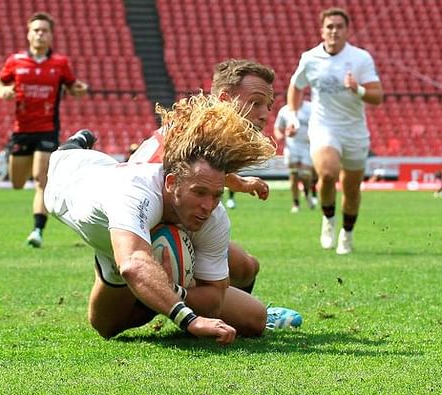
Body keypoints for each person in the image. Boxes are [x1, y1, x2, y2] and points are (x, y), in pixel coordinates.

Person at [45, 94, 301, 344]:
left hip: (135, 220)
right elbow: (133, 264)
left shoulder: (214, 213)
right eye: (199, 193)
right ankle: (75, 143)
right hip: (72, 173)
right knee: (108, 327)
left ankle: (160, 294)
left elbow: (214, 298)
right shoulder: (134, 194)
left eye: (216, 195)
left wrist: (175, 290)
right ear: (171, 184)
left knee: (254, 319)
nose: (208, 206)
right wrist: (189, 320)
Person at [129, 59, 273, 295]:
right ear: (225, 100)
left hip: (168, 218)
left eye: (269, 106)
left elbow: (206, 170)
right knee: (234, 301)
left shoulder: (208, 131)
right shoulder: (196, 135)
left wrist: (242, 183)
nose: (265, 114)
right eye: (256, 103)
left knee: (247, 267)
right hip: (147, 227)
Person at [286, 7, 384, 255]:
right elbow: (296, 87)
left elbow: (377, 96)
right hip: (324, 126)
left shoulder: (360, 58)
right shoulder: (310, 58)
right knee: (328, 174)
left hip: (354, 130)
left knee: (351, 189)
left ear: (346, 31)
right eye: (330, 26)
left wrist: (357, 89)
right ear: (322, 30)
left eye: (339, 27)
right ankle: (328, 220)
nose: (334, 31)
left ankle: (347, 234)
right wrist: (294, 116)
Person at [0, 11, 89, 248]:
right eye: (36, 30)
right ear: (28, 34)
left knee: (40, 180)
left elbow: (73, 86)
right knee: (17, 182)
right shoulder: (15, 61)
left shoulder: (60, 63)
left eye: (44, 30)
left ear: (51, 35)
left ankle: (37, 230)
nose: (40, 34)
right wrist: (2, 91)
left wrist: (80, 89)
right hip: (21, 130)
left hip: (47, 129)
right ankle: (16, 164)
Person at [274, 100, 318, 213]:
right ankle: (296, 203)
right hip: (291, 146)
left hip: (307, 146)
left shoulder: (310, 108)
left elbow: (319, 124)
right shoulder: (284, 110)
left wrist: (314, 135)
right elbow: (277, 128)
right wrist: (283, 135)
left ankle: (307, 193)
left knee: (306, 175)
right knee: (293, 174)